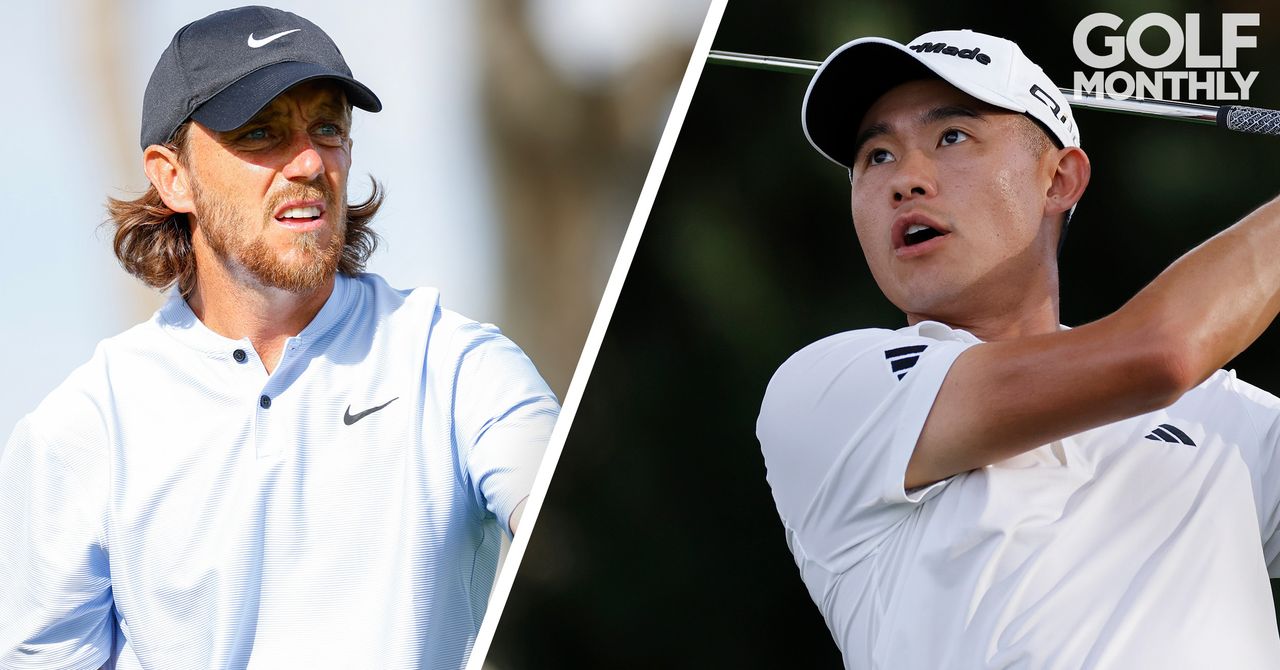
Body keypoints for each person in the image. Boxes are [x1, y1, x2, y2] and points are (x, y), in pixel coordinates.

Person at [0, 6, 558, 668]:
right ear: (171, 176)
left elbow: (572, 524)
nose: (309, 162)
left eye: (327, 128)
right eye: (261, 133)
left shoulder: (456, 364)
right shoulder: (84, 427)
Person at [756, 28, 1280, 669]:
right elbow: (1160, 351)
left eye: (952, 137)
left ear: (1059, 179)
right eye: (877, 157)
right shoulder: (827, 390)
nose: (906, 181)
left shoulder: (1227, 422)